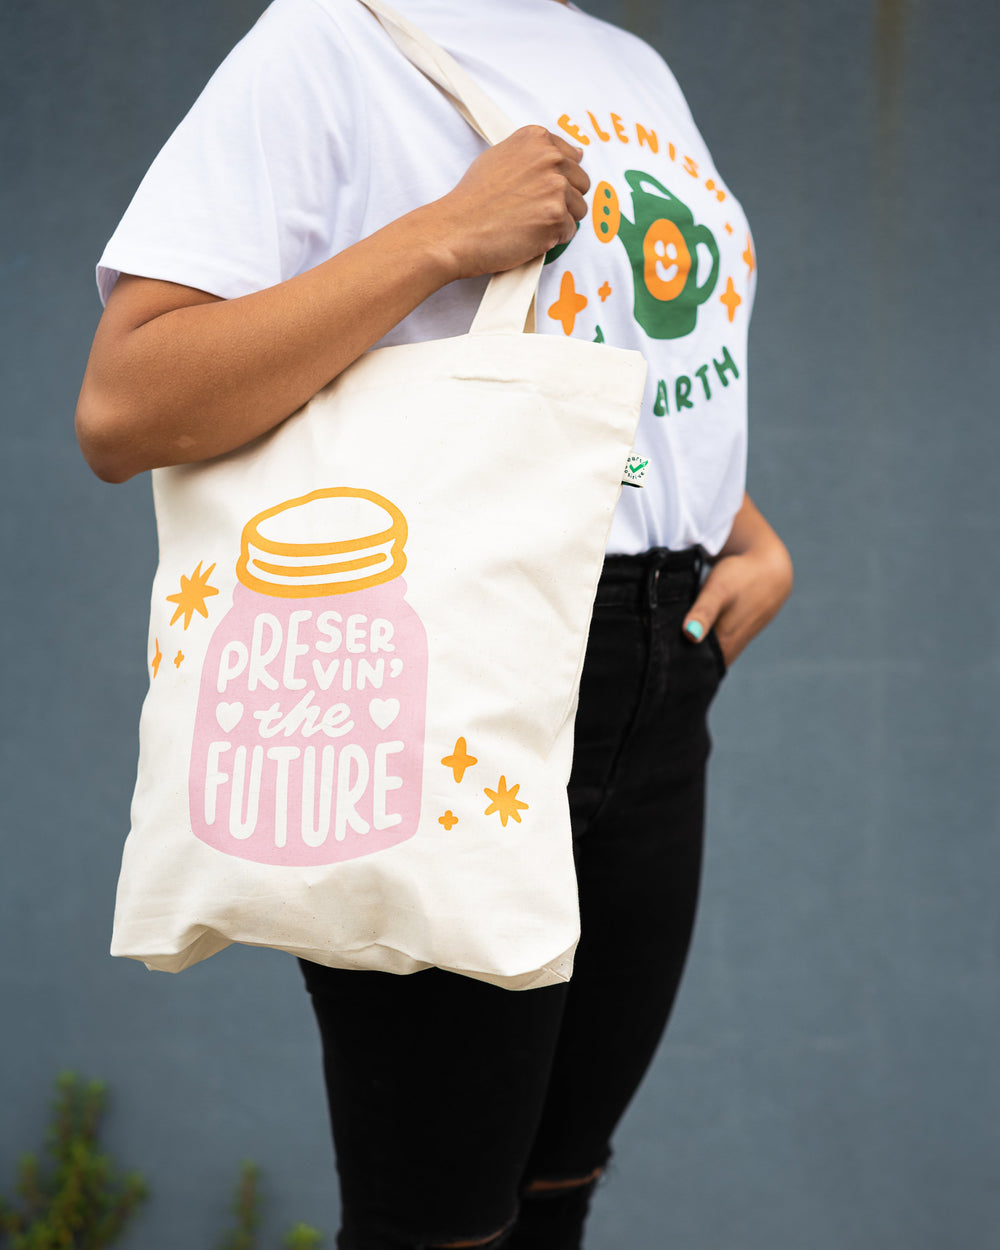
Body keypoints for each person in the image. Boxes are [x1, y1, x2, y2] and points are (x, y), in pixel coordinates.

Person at [76, 0, 793, 1246]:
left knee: (555, 1191)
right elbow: (127, 402)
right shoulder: (329, 40)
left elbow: (604, 362)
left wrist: (743, 527)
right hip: (461, 662)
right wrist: (438, 237)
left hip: (661, 667)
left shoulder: (632, 66)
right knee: (436, 1223)